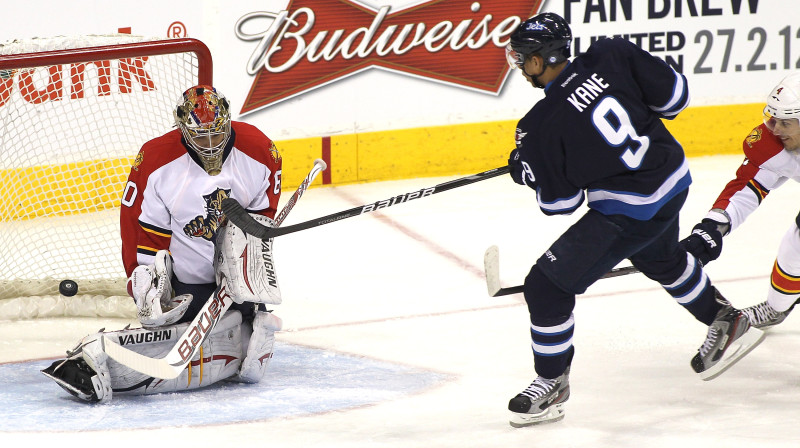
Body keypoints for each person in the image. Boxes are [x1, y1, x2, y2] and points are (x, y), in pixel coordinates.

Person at [503, 13, 765, 427]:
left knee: (546, 287)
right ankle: (725, 317)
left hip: (630, 211)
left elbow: (560, 204)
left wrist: (530, 169)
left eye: (521, 58)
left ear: (538, 61)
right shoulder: (611, 52)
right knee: (658, 258)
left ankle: (551, 383)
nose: (519, 66)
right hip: (673, 182)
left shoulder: (539, 126)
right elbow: (675, 98)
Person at [42, 85, 284, 403]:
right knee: (181, 343)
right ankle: (91, 362)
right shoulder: (158, 160)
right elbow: (145, 231)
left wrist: (247, 270)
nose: (210, 144)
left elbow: (260, 223)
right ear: (182, 129)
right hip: (190, 281)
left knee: (239, 341)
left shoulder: (259, 150)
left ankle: (249, 320)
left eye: (217, 133)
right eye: (200, 136)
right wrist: (143, 277)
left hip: (235, 280)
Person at [681, 72, 800, 330]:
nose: (776, 129)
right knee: (794, 249)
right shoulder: (773, 144)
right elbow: (748, 188)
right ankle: (777, 308)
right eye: (773, 119)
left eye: (785, 123)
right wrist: (712, 228)